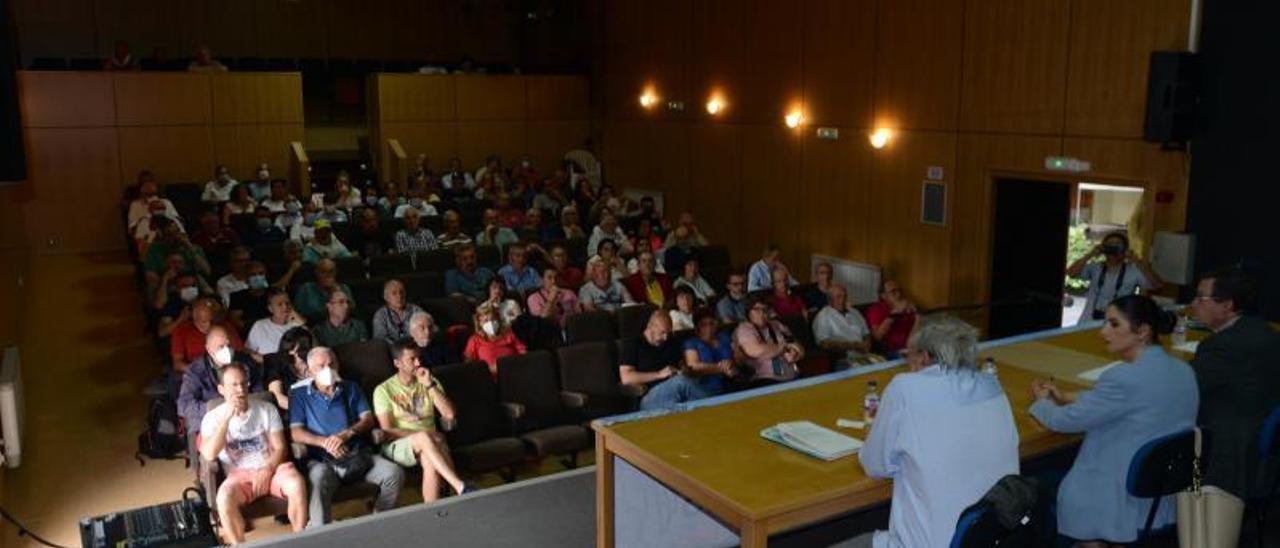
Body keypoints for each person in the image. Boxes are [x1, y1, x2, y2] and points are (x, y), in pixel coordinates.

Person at [836, 315, 1020, 548]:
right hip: (992, 538)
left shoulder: (904, 388)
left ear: (923, 357)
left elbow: (875, 466)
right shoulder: (993, 386)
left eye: (909, 356)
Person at [1029, 295, 1197, 545]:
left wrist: (1041, 402)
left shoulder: (1122, 378)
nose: (1103, 331)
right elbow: (1131, 399)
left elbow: (1065, 422)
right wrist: (1068, 396)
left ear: (1142, 332)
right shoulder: (1183, 370)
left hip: (1117, 493)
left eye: (1114, 324)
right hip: (1162, 489)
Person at [1188, 268, 1280, 509]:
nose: (1193, 304)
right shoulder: (1263, 331)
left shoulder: (1221, 347)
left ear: (1227, 305)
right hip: (1256, 437)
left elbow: (1185, 389)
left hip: (1223, 452)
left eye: (1201, 298)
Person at [290, 347, 404, 528]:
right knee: (318, 480)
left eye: (331, 364)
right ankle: (321, 534)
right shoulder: (299, 396)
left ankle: (379, 519)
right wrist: (325, 443)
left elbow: (367, 419)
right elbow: (296, 432)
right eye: (321, 366)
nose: (328, 369)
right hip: (322, 460)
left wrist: (347, 434)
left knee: (393, 473)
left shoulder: (351, 388)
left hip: (358, 455)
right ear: (310, 371)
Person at [199, 361, 307, 544]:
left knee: (297, 484)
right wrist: (226, 420)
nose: (240, 389)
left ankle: (300, 540)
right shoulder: (212, 418)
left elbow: (280, 447)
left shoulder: (267, 409)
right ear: (221, 389)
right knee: (224, 499)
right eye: (233, 385)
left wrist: (267, 469)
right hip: (238, 475)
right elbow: (209, 454)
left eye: (243, 383)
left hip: (272, 469)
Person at [373, 341, 469, 502]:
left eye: (419, 358)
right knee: (426, 439)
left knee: (429, 459)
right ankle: (458, 486)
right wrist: (427, 435)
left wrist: (430, 385)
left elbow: (450, 414)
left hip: (432, 443)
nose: (418, 363)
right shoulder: (383, 390)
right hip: (397, 445)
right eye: (412, 359)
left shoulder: (429, 381)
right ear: (397, 363)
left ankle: (433, 513)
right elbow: (387, 431)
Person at [178, 326, 262, 438]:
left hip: (245, 416)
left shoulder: (245, 362)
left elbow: (259, 391)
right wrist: (219, 409)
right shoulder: (195, 371)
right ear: (209, 349)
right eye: (221, 347)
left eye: (229, 345)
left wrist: (244, 404)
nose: (227, 350)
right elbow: (184, 405)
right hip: (212, 422)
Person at [1066, 232, 1164, 324]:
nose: (1113, 249)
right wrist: (1090, 255)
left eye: (1117, 246)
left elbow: (1157, 285)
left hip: (1119, 324)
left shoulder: (1133, 271)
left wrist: (1136, 260)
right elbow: (1071, 273)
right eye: (1110, 246)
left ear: (1125, 249)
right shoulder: (1095, 267)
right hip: (1089, 321)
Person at [619, 312, 711, 410]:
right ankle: (715, 406)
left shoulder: (670, 342)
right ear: (650, 326)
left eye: (668, 333)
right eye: (662, 333)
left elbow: (681, 365)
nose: (665, 337)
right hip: (648, 396)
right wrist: (659, 374)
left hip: (675, 392)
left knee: (689, 390)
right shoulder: (633, 344)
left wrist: (684, 371)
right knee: (681, 382)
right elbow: (626, 377)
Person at [734, 296, 802, 384]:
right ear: (748, 312)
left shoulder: (777, 325)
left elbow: (798, 346)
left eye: (765, 309)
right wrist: (784, 347)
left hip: (792, 374)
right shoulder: (744, 329)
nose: (762, 313)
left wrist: (795, 353)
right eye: (757, 309)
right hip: (764, 378)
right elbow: (756, 351)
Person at [171, 298, 244, 374]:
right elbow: (177, 364)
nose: (209, 325)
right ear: (195, 319)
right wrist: (199, 371)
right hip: (197, 373)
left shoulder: (225, 327)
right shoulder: (182, 331)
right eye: (204, 321)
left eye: (212, 320)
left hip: (227, 372)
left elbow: (240, 352)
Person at [812, 284, 874, 367]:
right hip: (843, 358)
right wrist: (852, 346)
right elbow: (824, 343)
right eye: (839, 297)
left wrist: (867, 343)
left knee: (883, 368)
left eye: (845, 296)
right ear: (830, 300)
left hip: (864, 354)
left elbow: (866, 333)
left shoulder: (854, 312)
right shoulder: (824, 316)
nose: (843, 300)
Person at [682, 309, 739, 397]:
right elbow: (693, 366)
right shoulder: (691, 343)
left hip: (732, 382)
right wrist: (723, 368)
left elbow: (739, 355)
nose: (709, 327)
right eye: (703, 324)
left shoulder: (724, 337)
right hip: (705, 388)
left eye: (712, 323)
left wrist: (732, 364)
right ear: (697, 326)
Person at [144, 216, 212, 287]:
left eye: (177, 231)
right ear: (163, 236)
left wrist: (190, 247)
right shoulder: (155, 249)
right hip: (169, 288)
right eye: (170, 235)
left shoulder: (195, 248)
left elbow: (207, 271)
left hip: (193, 286)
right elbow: (150, 274)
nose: (176, 236)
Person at [462, 303, 526, 378]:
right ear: (479, 323)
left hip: (513, 373)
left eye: (493, 319)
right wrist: (488, 370)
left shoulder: (509, 334)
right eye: (486, 321)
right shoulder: (474, 340)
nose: (490, 323)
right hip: (489, 378)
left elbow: (523, 353)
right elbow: (468, 363)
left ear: (498, 320)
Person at [245, 289, 306, 361]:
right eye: (280, 304)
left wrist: (302, 323)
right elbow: (248, 351)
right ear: (270, 309)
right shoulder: (260, 326)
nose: (285, 307)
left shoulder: (297, 324)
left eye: (287, 303)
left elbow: (312, 347)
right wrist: (266, 361)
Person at [865, 279, 917, 357]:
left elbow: (916, 329)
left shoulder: (907, 305)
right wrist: (894, 313)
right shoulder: (876, 309)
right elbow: (877, 336)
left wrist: (917, 315)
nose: (898, 294)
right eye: (893, 291)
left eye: (899, 290)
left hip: (912, 346)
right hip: (892, 350)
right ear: (883, 296)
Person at [265, 327, 313, 410]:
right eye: (289, 348)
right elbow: (278, 397)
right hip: (293, 409)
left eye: (297, 348)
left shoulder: (315, 360)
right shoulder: (276, 363)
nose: (291, 352)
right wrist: (305, 410)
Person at [127, 172, 181, 237]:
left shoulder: (166, 202)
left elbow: (177, 221)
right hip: (146, 238)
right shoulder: (135, 205)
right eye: (144, 183)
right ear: (140, 187)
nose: (148, 185)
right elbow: (132, 228)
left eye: (150, 181)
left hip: (169, 237)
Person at [372, 279, 424, 343]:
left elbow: (427, 329)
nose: (399, 296)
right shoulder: (380, 314)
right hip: (391, 350)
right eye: (394, 293)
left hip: (415, 346)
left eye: (402, 292)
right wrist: (398, 347)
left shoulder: (416, 310)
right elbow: (380, 337)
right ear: (386, 297)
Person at [227, 262, 273, 332]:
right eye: (253, 275)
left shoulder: (275, 293)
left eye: (261, 274)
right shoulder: (237, 297)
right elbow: (236, 320)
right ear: (246, 279)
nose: (257, 277)